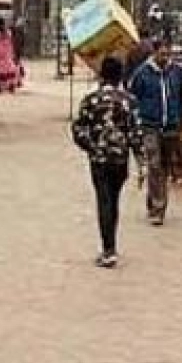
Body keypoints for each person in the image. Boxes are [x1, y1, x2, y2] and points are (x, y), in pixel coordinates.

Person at [71, 56, 140, 268]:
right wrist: (141, 161)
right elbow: (135, 133)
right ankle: (111, 245)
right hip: (120, 159)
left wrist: (91, 147)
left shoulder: (91, 100)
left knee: (103, 200)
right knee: (114, 199)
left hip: (99, 159)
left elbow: (77, 129)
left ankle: (108, 248)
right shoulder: (129, 101)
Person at [127, 42, 182, 226]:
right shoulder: (142, 74)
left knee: (165, 167)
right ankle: (158, 208)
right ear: (154, 53)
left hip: (170, 126)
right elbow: (133, 98)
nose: (164, 58)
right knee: (154, 165)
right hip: (149, 125)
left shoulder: (176, 72)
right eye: (161, 54)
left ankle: (154, 200)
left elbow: (181, 97)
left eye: (167, 55)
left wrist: (180, 121)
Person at [0, 18, 21, 94]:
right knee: (9, 69)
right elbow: (10, 42)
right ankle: (11, 86)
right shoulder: (7, 32)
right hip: (6, 52)